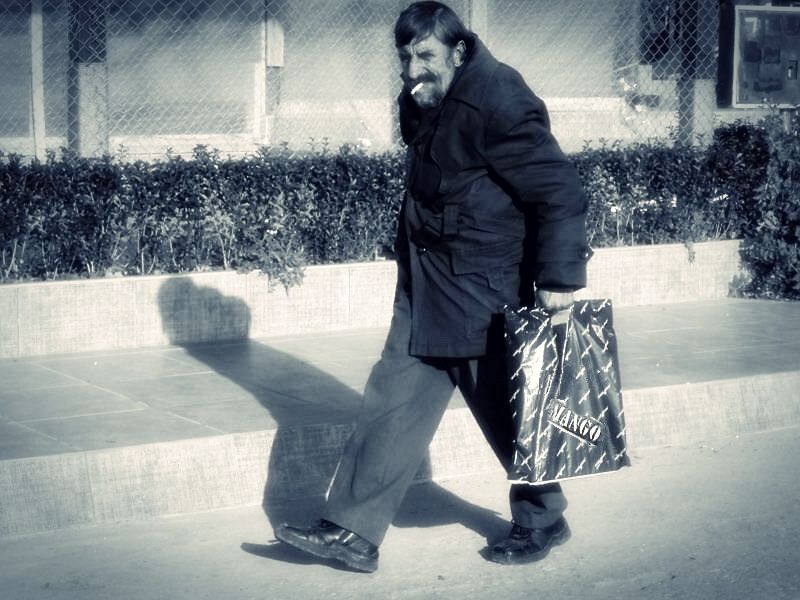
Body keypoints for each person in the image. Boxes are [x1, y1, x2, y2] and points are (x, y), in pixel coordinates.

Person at [275, 1, 592, 573]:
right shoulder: (431, 93)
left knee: (506, 407)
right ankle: (352, 531)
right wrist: (419, 99)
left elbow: (559, 188)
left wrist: (558, 277)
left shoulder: (499, 95)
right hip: (427, 279)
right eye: (404, 57)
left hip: (483, 284)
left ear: (458, 50)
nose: (411, 69)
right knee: (391, 401)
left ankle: (544, 516)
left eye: (424, 56)